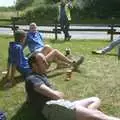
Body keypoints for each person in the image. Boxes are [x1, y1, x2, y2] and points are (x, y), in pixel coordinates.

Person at [25, 52, 120, 120]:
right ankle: (89, 115)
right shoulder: (33, 78)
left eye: (46, 61)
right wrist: (58, 93)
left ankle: (86, 115)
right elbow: (56, 96)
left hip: (60, 105)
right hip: (52, 107)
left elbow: (30, 97)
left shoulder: (39, 75)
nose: (46, 64)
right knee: (98, 115)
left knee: (95, 100)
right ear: (34, 65)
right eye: (43, 62)